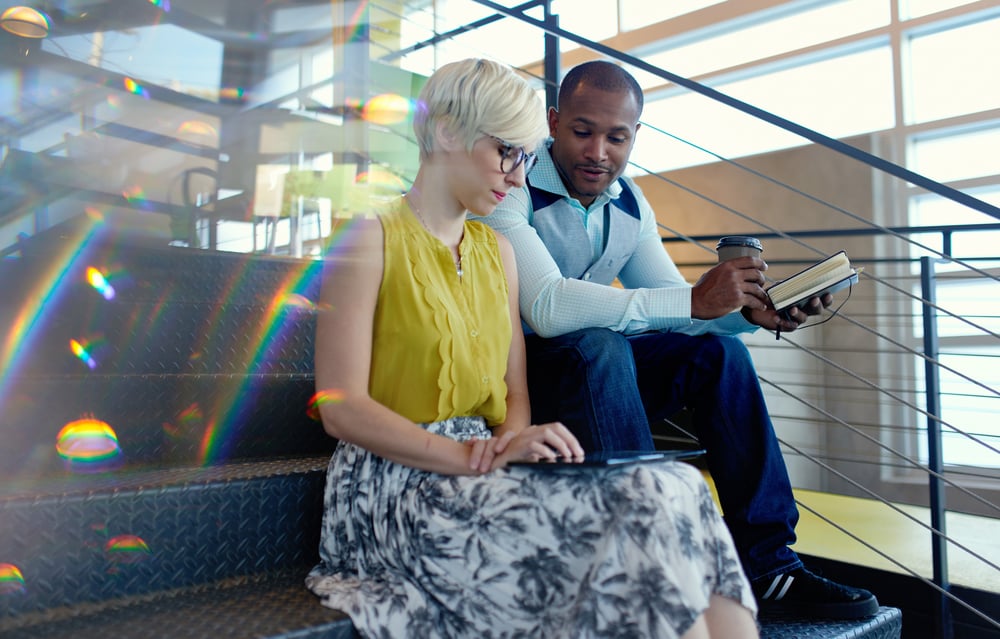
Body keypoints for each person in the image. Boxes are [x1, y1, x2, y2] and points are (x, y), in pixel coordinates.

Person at [306, 58, 759, 639]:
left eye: (524, 157)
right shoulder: (367, 239)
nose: (520, 177)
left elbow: (514, 392)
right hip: (395, 483)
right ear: (447, 131)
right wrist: (475, 459)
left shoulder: (500, 254)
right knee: (645, 506)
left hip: (487, 463)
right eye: (508, 154)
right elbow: (341, 408)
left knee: (680, 489)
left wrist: (509, 441)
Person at [475, 59, 879, 621]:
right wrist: (691, 301)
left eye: (617, 137)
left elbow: (674, 308)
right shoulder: (512, 183)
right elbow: (546, 307)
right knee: (602, 345)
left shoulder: (631, 203)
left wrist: (747, 317)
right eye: (582, 131)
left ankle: (768, 566)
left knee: (719, 354)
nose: (598, 153)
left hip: (599, 375)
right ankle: (655, 556)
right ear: (553, 121)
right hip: (520, 373)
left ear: (635, 136)